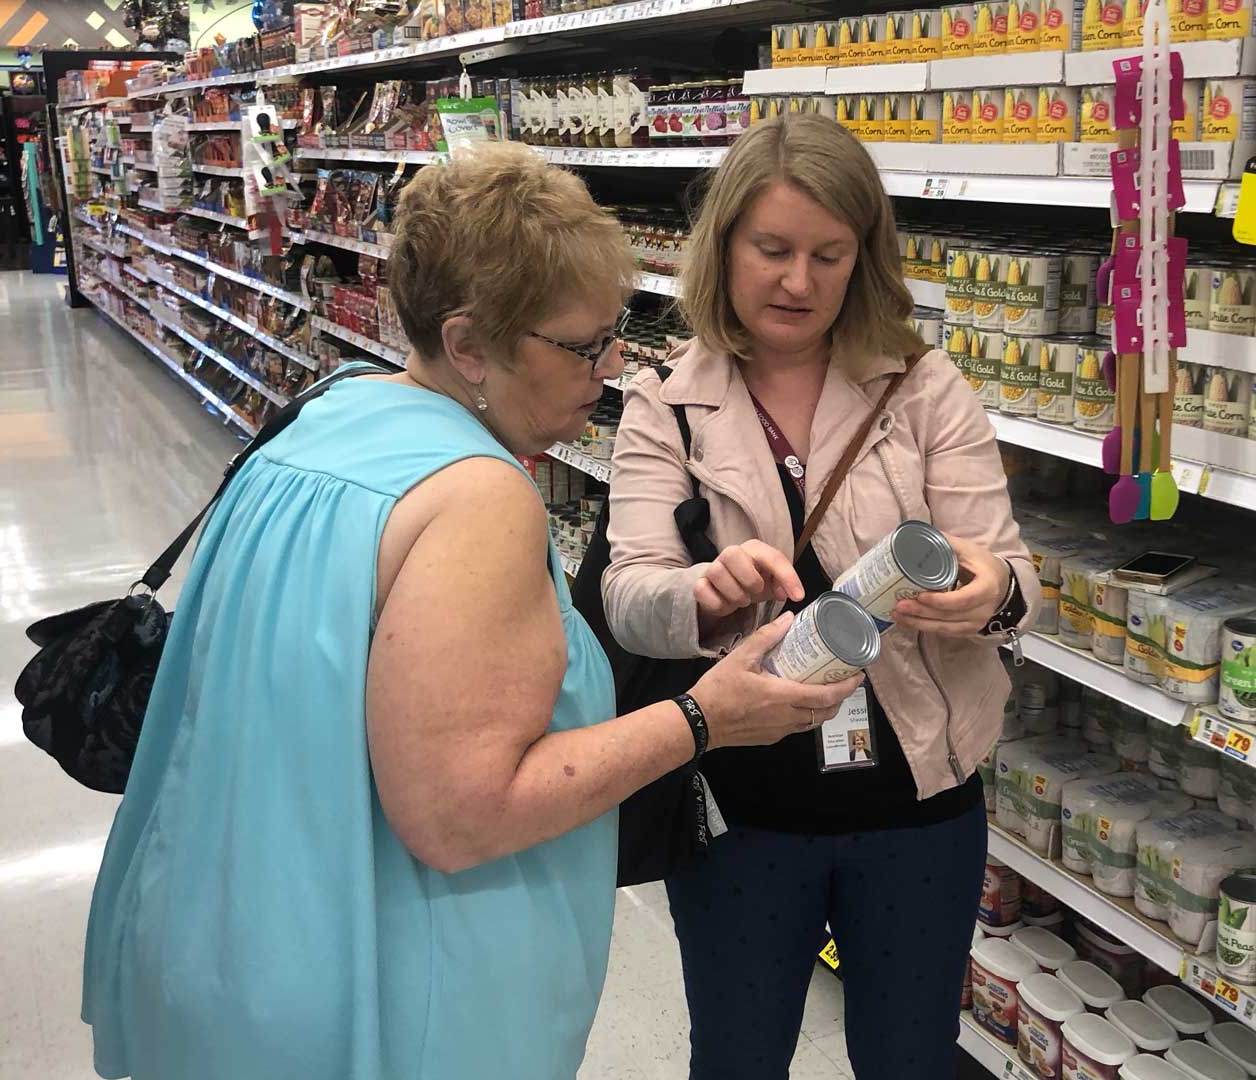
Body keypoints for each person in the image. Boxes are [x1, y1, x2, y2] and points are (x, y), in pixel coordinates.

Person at [79, 143, 859, 1080]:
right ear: (468, 345)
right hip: (396, 994)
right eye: (581, 344)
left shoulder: (325, 414)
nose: (608, 368)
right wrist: (705, 717)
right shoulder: (478, 496)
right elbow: (462, 817)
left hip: (236, 947)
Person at [601, 113, 1038, 1080]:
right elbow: (627, 593)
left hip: (918, 805)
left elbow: (1011, 569)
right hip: (739, 811)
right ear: (724, 248)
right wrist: (704, 593)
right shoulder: (664, 400)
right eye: (773, 250)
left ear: (863, 259)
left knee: (911, 1058)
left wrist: (991, 593)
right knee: (738, 1057)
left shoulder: (925, 391)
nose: (799, 281)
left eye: (828, 254)